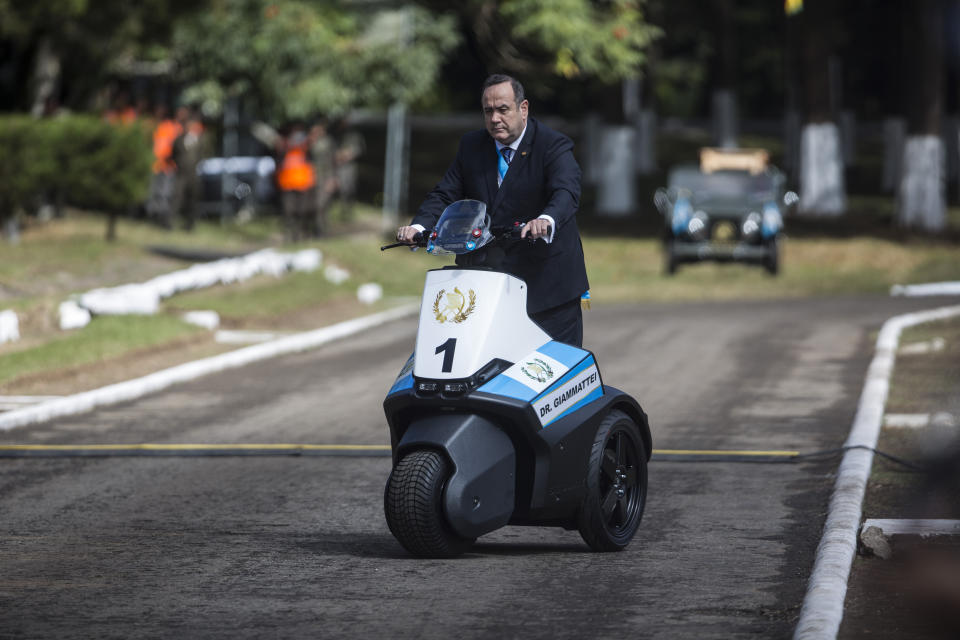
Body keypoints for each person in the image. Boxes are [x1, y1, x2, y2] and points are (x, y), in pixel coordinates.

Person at [396, 74, 589, 347]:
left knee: (554, 372)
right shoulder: (472, 146)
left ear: (523, 109)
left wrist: (545, 219)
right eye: (488, 111)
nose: (495, 118)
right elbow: (445, 192)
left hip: (547, 284)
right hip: (488, 282)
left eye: (503, 110)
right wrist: (418, 228)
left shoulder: (552, 145)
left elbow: (566, 192)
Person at [275, 122, 318, 243]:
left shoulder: (306, 148)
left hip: (303, 184)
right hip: (288, 184)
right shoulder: (284, 147)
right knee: (288, 211)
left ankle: (301, 234)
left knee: (302, 212)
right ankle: (289, 235)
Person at [170, 108, 208, 231]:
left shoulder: (200, 140)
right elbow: (174, 153)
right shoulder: (179, 139)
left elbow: (203, 154)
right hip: (181, 173)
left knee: (192, 199)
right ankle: (171, 222)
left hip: (193, 173)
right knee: (177, 197)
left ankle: (190, 224)